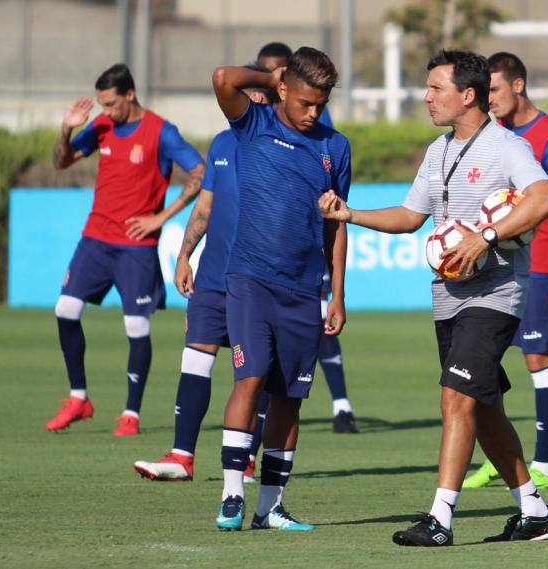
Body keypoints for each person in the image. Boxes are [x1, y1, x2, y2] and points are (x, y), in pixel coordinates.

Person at [319, 50, 548, 546]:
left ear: (467, 95)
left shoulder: (506, 147)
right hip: (448, 298)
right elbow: (410, 216)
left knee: (455, 397)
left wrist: (487, 236)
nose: (426, 97)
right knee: (483, 408)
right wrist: (350, 214)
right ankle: (534, 511)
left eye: (435, 88)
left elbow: (543, 199)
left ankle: (440, 519)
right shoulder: (437, 151)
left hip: (495, 294)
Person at [210, 47, 351, 532]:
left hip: (304, 290)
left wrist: (338, 293)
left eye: (322, 104)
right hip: (250, 279)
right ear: (284, 89)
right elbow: (223, 77)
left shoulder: (336, 146)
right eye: (305, 102)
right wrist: (270, 77)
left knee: (290, 396)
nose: (314, 113)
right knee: (249, 380)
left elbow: (337, 224)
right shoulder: (254, 124)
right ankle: (232, 494)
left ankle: (270, 507)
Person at [132, 73, 278, 481]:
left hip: (257, 280)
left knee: (254, 373)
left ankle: (247, 457)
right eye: (245, 99)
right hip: (213, 278)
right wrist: (183, 255)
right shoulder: (222, 143)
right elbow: (205, 207)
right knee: (194, 360)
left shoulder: (279, 147)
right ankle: (182, 457)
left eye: (258, 100)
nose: (249, 107)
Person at [46, 63, 204, 436]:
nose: (106, 112)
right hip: (96, 238)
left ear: (129, 95)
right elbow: (61, 162)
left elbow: (199, 172)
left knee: (136, 325)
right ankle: (78, 397)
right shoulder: (101, 126)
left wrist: (160, 217)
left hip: (136, 246)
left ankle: (131, 413)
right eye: (101, 104)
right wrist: (66, 129)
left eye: (111, 104)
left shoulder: (161, 132)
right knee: (65, 309)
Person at [462, 52, 548, 491]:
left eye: (493, 90)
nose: (488, 99)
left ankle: (543, 465)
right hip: (504, 261)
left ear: (518, 85)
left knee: (537, 356)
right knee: (486, 358)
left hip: (544, 264)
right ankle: (501, 455)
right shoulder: (499, 136)